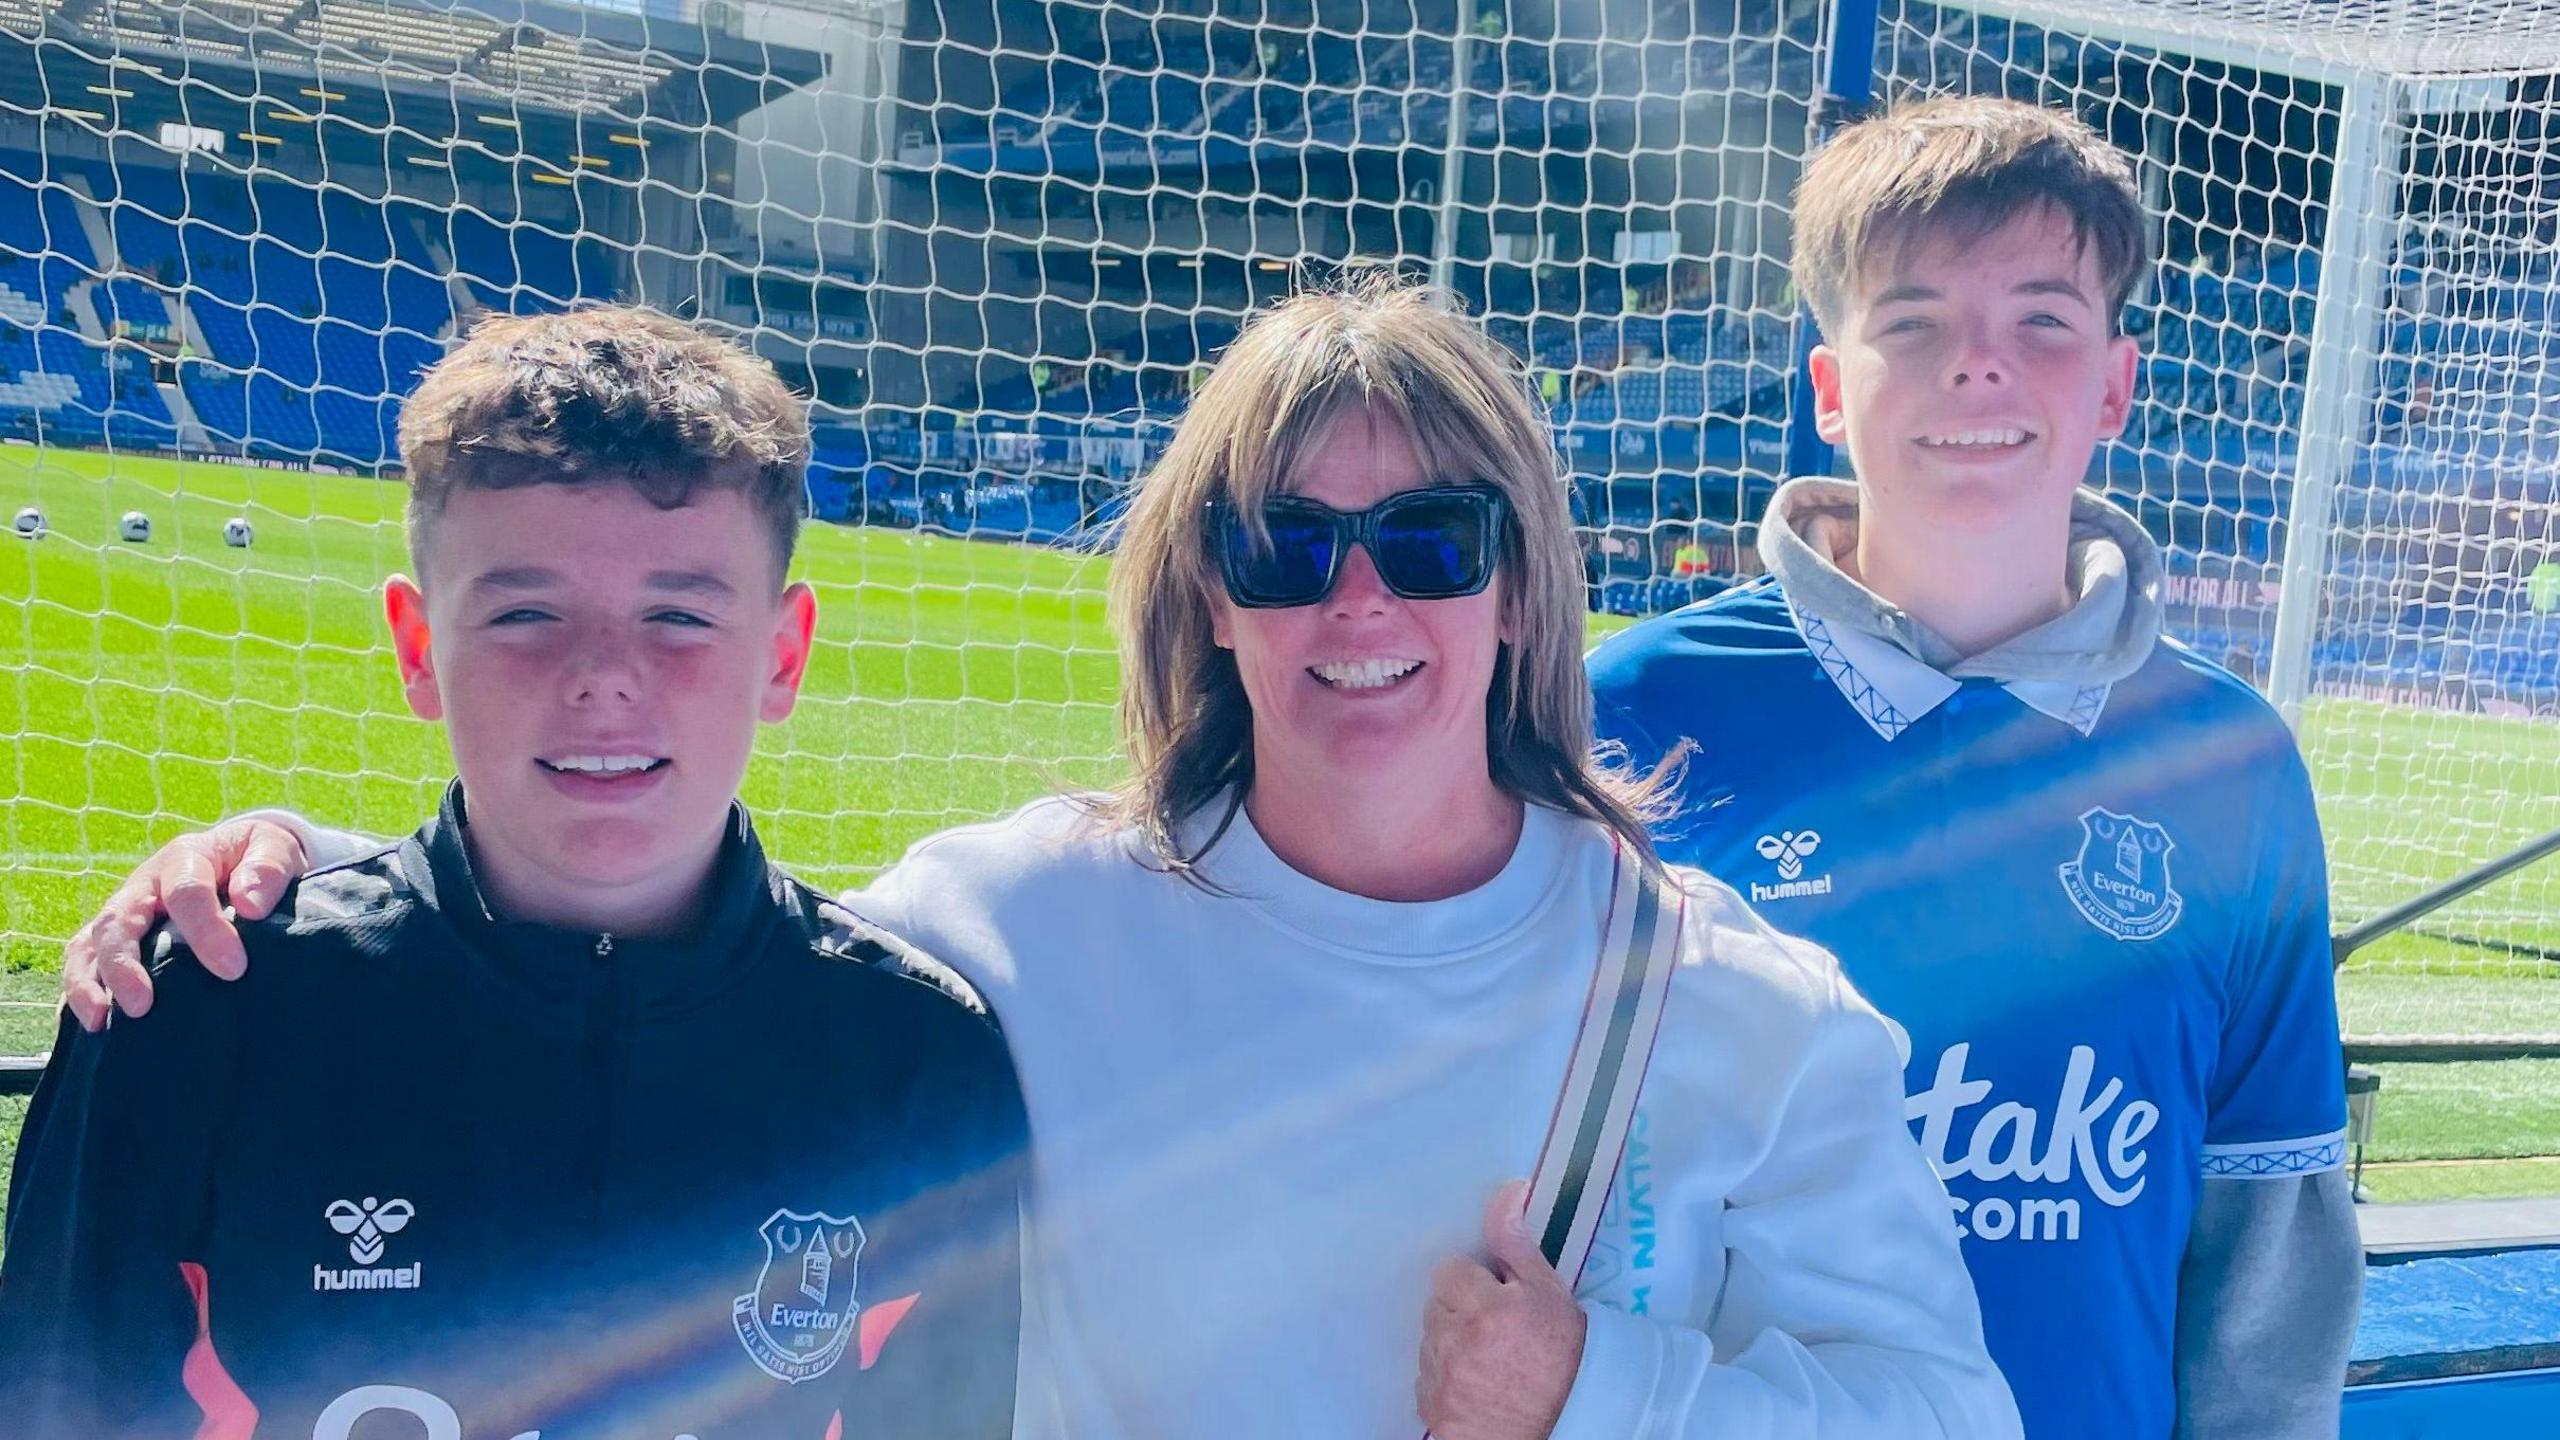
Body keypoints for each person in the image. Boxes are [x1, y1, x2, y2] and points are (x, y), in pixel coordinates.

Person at [56, 281, 2018, 1438]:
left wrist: (1600, 1387)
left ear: (1519, 590)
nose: (1355, 602)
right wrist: (293, 891)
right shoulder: (1018, 925)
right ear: (1209, 602)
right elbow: (664, 933)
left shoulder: (1738, 1009)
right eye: (1279, 547)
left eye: (1428, 542)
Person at [2, 307, 1030, 1440]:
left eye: (679, 615)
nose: (601, 678)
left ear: (781, 655)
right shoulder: (197, 1010)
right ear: (417, 647)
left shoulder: (916, 1064)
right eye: (526, 612)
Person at [1587, 98, 2360, 1439]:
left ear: (2116, 384)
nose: (1978, 367)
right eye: (1913, 322)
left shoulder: (2231, 764)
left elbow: (2268, 1249)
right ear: (1831, 389)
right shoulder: (1630, 716)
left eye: (2044, 320)